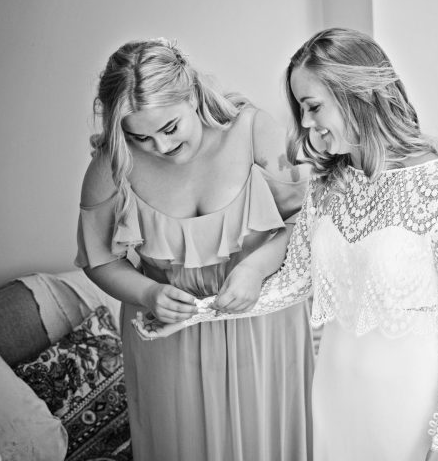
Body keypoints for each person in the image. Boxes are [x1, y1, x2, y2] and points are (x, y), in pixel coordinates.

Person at [134, 27, 438, 461]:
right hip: (335, 391)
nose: (305, 123)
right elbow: (294, 282)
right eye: (301, 109)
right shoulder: (327, 187)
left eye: (313, 106)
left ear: (357, 94)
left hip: (408, 400)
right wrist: (195, 316)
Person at [75, 38, 314, 461]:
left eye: (170, 128)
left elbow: (309, 221)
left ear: (194, 96)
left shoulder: (253, 131)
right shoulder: (113, 164)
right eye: (141, 136)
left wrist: (256, 268)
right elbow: (99, 259)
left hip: (262, 329)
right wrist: (148, 293)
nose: (161, 148)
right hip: (169, 340)